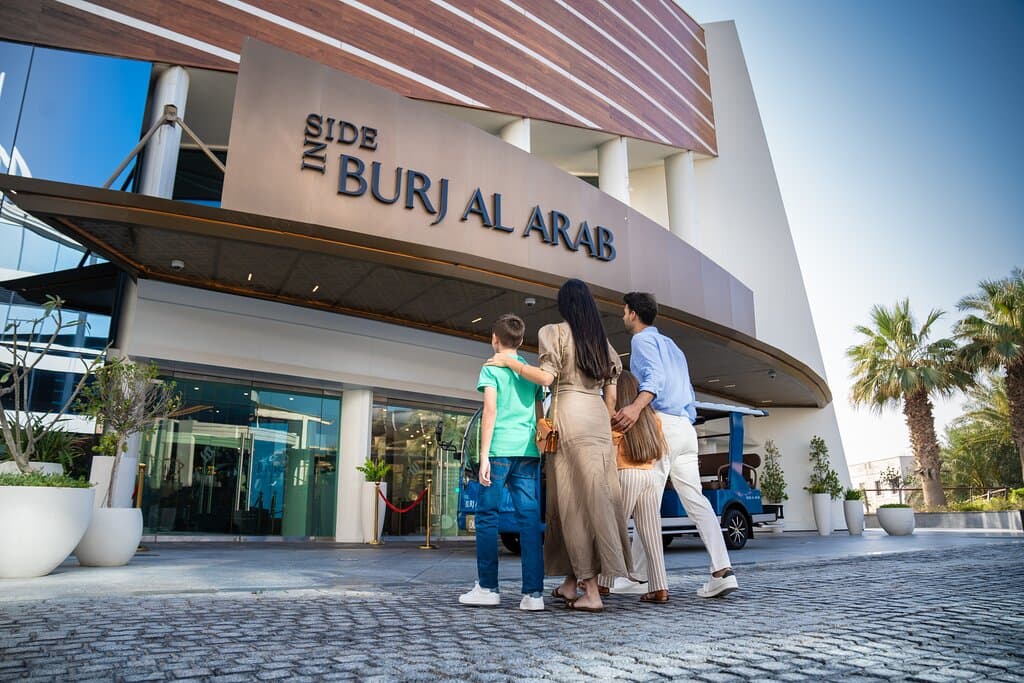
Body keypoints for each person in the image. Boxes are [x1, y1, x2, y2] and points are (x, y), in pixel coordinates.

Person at [487, 279, 632, 612]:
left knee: (570, 504)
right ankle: (571, 583)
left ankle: (591, 592)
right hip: (597, 418)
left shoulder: (554, 332)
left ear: (565, 304)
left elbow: (547, 378)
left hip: (569, 414)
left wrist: (510, 362)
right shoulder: (603, 343)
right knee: (597, 499)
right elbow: (611, 397)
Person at [611, 292, 739, 598]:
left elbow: (654, 378)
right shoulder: (673, 346)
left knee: (646, 503)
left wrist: (635, 407)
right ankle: (722, 570)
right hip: (685, 426)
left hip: (663, 426)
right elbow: (688, 390)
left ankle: (641, 578)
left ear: (633, 314)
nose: (623, 316)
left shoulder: (641, 341)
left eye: (625, 311)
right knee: (695, 500)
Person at [459, 313, 546, 611]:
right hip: (528, 452)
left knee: (487, 516)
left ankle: (487, 588)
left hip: (498, 451)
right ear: (520, 342)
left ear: (494, 339)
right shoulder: (530, 372)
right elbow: (539, 413)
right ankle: (534, 594)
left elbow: (490, 412)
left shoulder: (491, 368)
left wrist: (483, 455)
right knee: (529, 521)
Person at [597, 370, 671, 603]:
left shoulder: (616, 418)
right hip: (649, 475)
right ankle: (660, 587)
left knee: (612, 531)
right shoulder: (651, 419)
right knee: (652, 536)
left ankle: (603, 583)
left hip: (624, 474)